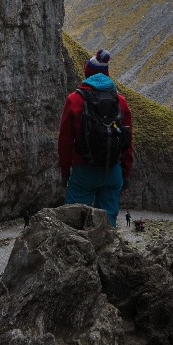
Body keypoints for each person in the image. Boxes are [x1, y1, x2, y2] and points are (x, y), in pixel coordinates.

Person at [58, 47, 133, 228]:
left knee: (74, 223)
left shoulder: (74, 100)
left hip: (84, 170)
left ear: (87, 74)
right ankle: (108, 254)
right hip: (112, 169)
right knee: (108, 226)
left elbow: (65, 141)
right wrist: (125, 173)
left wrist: (65, 172)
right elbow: (127, 142)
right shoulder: (120, 101)